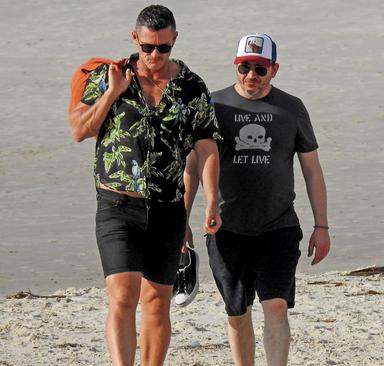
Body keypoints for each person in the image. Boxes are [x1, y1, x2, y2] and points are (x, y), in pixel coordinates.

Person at [67, 5, 221, 365]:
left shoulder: (191, 86)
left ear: (175, 41)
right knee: (122, 295)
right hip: (117, 205)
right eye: (148, 47)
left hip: (168, 209)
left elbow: (207, 146)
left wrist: (212, 200)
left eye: (163, 48)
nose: (154, 55)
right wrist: (111, 93)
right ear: (135, 39)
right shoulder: (108, 76)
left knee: (156, 301)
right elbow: (79, 130)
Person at [184, 33, 331, 366]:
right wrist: (183, 223)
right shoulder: (213, 105)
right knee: (237, 313)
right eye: (245, 67)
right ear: (236, 66)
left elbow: (311, 169)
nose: (251, 75)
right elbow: (191, 167)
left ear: (274, 69)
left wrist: (321, 225)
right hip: (225, 227)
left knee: (275, 304)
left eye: (260, 69)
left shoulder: (291, 108)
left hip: (278, 225)